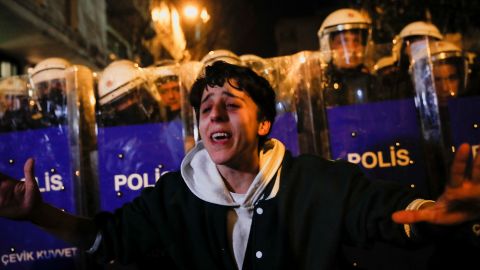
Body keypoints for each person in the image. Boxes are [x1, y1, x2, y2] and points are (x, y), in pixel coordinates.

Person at [0, 61, 479, 270]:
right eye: (206, 107)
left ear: (265, 123)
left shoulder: (318, 181)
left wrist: (433, 214)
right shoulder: (172, 198)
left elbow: (383, 210)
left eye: (230, 103)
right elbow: (105, 238)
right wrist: (38, 214)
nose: (214, 113)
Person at [317, 8, 376, 107]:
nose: (351, 49)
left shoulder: (374, 83)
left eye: (356, 41)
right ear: (327, 46)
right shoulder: (322, 86)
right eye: (342, 42)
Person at [376, 21, 443, 101]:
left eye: (428, 46)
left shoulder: (442, 77)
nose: (423, 52)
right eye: (417, 47)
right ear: (404, 49)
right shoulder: (391, 83)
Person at [97, 59, 161, 127]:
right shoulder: (117, 133)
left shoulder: (164, 119)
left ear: (143, 92)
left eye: (131, 97)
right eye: (120, 102)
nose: (128, 104)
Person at [29, 57, 71, 127]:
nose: (50, 91)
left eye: (58, 84)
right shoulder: (33, 124)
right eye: (44, 86)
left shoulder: (79, 117)